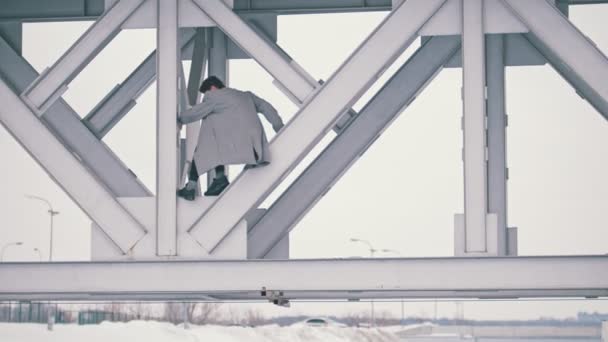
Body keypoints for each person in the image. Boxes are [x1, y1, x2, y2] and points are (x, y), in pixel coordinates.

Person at [177, 76, 284, 199]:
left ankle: (191, 187)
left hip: (232, 146)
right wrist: (278, 126)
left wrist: (178, 118)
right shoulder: (246, 95)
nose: (204, 98)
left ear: (212, 88)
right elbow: (267, 107)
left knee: (205, 141)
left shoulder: (214, 96)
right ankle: (220, 178)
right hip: (254, 150)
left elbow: (195, 113)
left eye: (205, 94)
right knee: (214, 130)